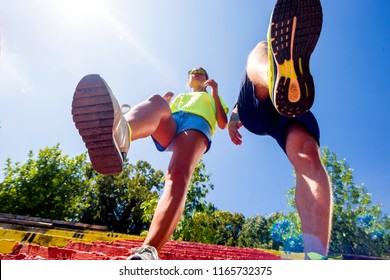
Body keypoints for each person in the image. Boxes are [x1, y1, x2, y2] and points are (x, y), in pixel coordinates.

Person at [72, 67, 229, 260]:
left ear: (206, 79)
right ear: (188, 80)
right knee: (157, 101)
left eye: (201, 72)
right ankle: (121, 134)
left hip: (197, 123)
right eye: (192, 72)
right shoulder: (180, 97)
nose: (196, 73)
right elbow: (160, 119)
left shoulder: (212, 97)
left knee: (176, 175)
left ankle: (148, 251)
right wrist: (166, 105)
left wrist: (215, 92)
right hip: (176, 120)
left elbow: (222, 123)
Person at [228, 0, 333, 259]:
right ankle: (272, 76)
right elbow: (235, 107)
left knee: (307, 152)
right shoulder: (263, 48)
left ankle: (316, 259)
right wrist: (232, 118)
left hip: (287, 108)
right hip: (256, 104)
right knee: (258, 50)